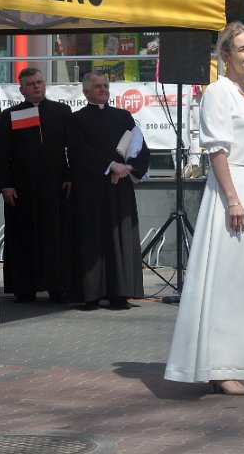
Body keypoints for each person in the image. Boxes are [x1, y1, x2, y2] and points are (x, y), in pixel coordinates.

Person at [165, 21, 244, 396]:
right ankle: (220, 368)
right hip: (230, 189)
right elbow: (217, 151)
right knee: (228, 281)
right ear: (225, 55)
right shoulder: (219, 92)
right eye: (242, 49)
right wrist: (233, 199)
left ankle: (241, 361)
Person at [68, 72, 150, 310]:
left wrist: (127, 168)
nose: (103, 89)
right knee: (93, 240)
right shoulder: (77, 120)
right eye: (98, 86)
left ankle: (120, 293)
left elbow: (138, 145)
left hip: (119, 189)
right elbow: (78, 150)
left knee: (120, 239)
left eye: (105, 85)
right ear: (86, 92)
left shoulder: (124, 116)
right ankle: (92, 295)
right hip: (91, 190)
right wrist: (109, 165)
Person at [0, 68, 72, 304]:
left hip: (55, 184)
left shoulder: (62, 112)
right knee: (23, 236)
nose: (36, 87)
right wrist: (5, 185)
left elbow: (72, 148)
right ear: (21, 90)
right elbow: (2, 154)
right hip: (22, 186)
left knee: (55, 236)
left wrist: (70, 176)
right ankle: (24, 288)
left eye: (39, 82)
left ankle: (57, 287)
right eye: (30, 84)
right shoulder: (10, 115)